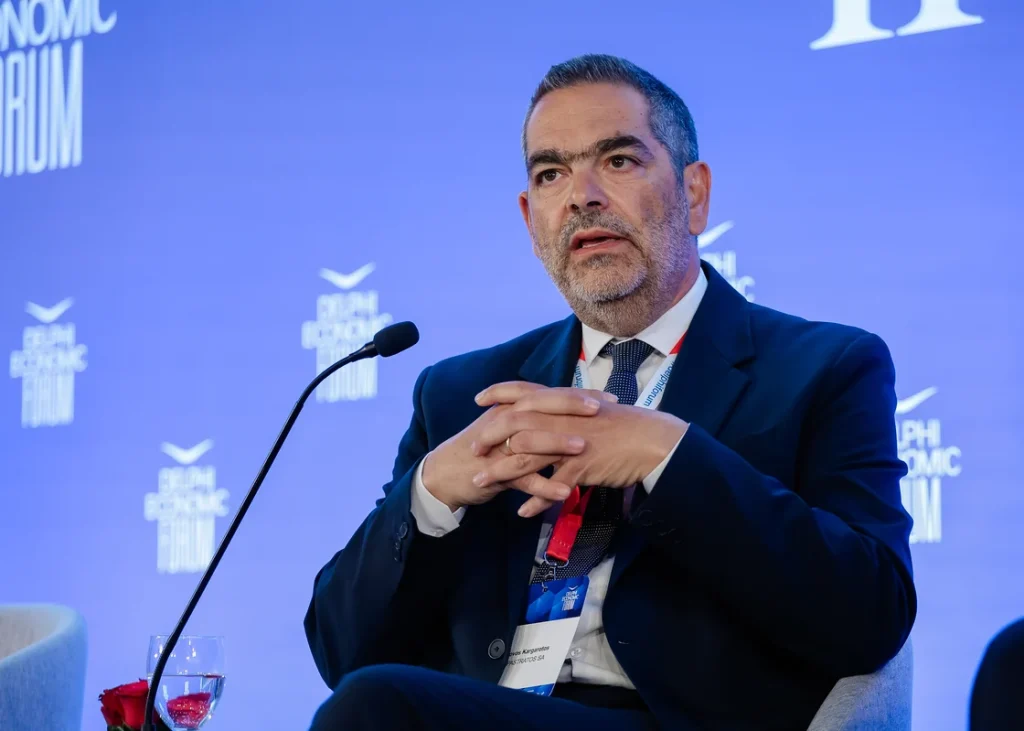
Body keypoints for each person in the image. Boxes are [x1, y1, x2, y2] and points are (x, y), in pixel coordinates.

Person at [303, 54, 916, 731]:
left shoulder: (823, 368)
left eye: (618, 160)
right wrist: (430, 494)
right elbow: (340, 653)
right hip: (490, 711)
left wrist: (667, 456)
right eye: (551, 174)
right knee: (371, 703)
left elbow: (871, 615)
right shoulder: (463, 394)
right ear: (530, 220)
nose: (582, 196)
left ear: (695, 194)